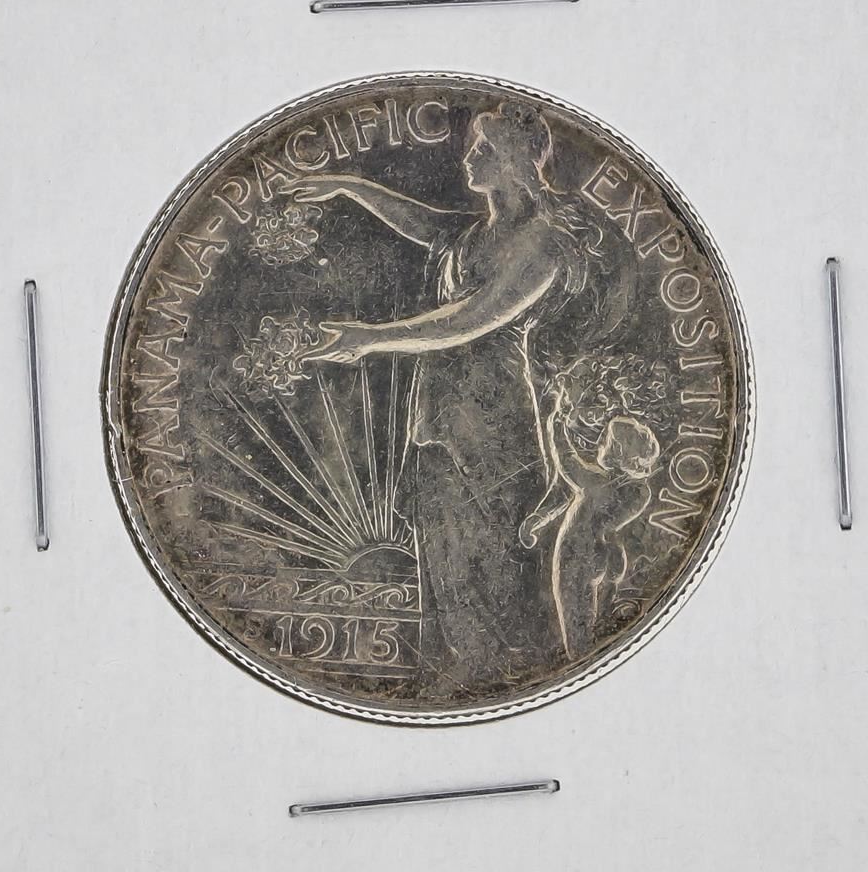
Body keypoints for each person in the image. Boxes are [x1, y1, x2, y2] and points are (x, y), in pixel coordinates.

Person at [282, 103, 612, 693]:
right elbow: (423, 223)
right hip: (437, 420)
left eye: (484, 148)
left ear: (515, 160)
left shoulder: (542, 242)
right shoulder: (476, 234)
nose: (469, 157)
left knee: (493, 575)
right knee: (444, 565)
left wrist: (369, 339)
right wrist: (350, 185)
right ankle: (453, 684)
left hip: (494, 433)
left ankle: (505, 687)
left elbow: (470, 318)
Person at [543, 395, 661, 658]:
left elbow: (567, 460)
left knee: (577, 627)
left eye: (605, 440)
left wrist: (556, 422)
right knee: (598, 626)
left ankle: (578, 659)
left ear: (616, 452)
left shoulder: (598, 483)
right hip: (610, 555)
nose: (598, 443)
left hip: (580, 552)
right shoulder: (640, 492)